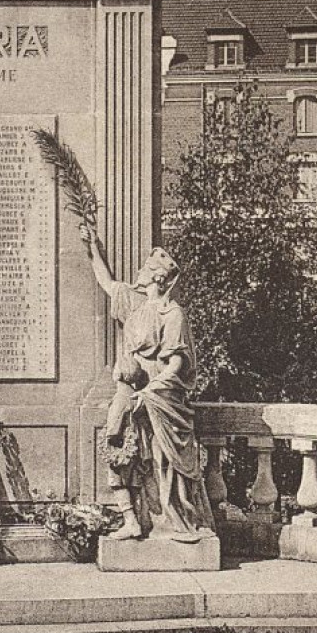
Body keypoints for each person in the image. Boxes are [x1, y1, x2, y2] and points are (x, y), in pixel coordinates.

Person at [82, 226, 216, 542]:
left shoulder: (173, 314)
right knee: (116, 446)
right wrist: (93, 248)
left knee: (160, 460)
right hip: (130, 391)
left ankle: (175, 519)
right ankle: (131, 520)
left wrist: (150, 394)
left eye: (145, 268)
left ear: (157, 278)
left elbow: (177, 365)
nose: (139, 271)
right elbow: (106, 282)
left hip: (162, 398)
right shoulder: (134, 305)